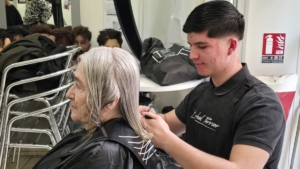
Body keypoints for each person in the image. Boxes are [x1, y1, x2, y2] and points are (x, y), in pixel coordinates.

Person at [140, 1, 286, 169]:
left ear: (231, 46)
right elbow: (167, 123)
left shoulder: (262, 105)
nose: (192, 55)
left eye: (202, 46)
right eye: (191, 46)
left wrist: (168, 142)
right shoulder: (202, 92)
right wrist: (146, 116)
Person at [32, 47, 176, 169]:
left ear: (110, 101)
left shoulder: (102, 154)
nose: (69, 94)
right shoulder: (104, 143)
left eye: (79, 86)